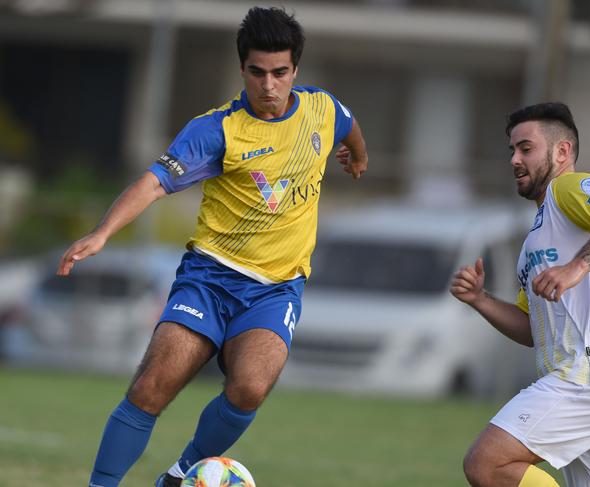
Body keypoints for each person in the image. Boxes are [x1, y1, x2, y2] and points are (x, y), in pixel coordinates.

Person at [57, 7, 368, 487]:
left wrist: (357, 158)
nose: (269, 85)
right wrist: (101, 232)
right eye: (257, 72)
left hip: (277, 288)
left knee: (249, 388)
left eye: (280, 73)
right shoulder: (216, 130)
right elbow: (155, 183)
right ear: (242, 69)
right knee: (151, 389)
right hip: (210, 278)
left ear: (295, 71)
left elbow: (349, 126)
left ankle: (178, 475)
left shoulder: (321, 109)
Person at [450, 102, 590, 487]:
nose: (515, 159)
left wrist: (576, 267)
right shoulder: (536, 238)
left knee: (487, 464)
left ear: (562, 152)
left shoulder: (567, 188)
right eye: (512, 150)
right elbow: (531, 330)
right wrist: (481, 299)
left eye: (526, 148)